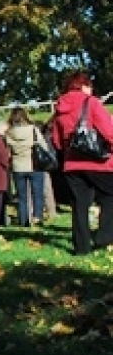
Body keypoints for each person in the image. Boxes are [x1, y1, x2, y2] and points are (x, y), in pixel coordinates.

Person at [49, 71, 113, 254]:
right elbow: (109, 132)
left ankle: (82, 248)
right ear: (83, 85)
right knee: (110, 196)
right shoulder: (91, 103)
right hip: (98, 162)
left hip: (72, 164)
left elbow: (56, 141)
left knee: (79, 206)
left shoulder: (59, 108)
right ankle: (104, 235)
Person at [6, 107, 45, 227]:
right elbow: (43, 145)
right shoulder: (33, 130)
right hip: (34, 164)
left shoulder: (9, 133)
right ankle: (37, 217)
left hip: (18, 166)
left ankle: (23, 220)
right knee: (37, 193)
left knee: (22, 196)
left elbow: (8, 152)